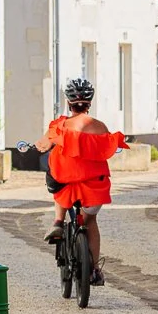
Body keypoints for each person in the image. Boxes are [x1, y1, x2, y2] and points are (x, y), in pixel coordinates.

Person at [31, 77, 128, 285]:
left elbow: (42, 146)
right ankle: (93, 270)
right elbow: (111, 148)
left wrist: (38, 145)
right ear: (89, 104)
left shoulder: (60, 125)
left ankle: (58, 221)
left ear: (68, 103)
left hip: (65, 182)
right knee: (90, 221)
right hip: (95, 187)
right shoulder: (100, 128)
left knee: (56, 178)